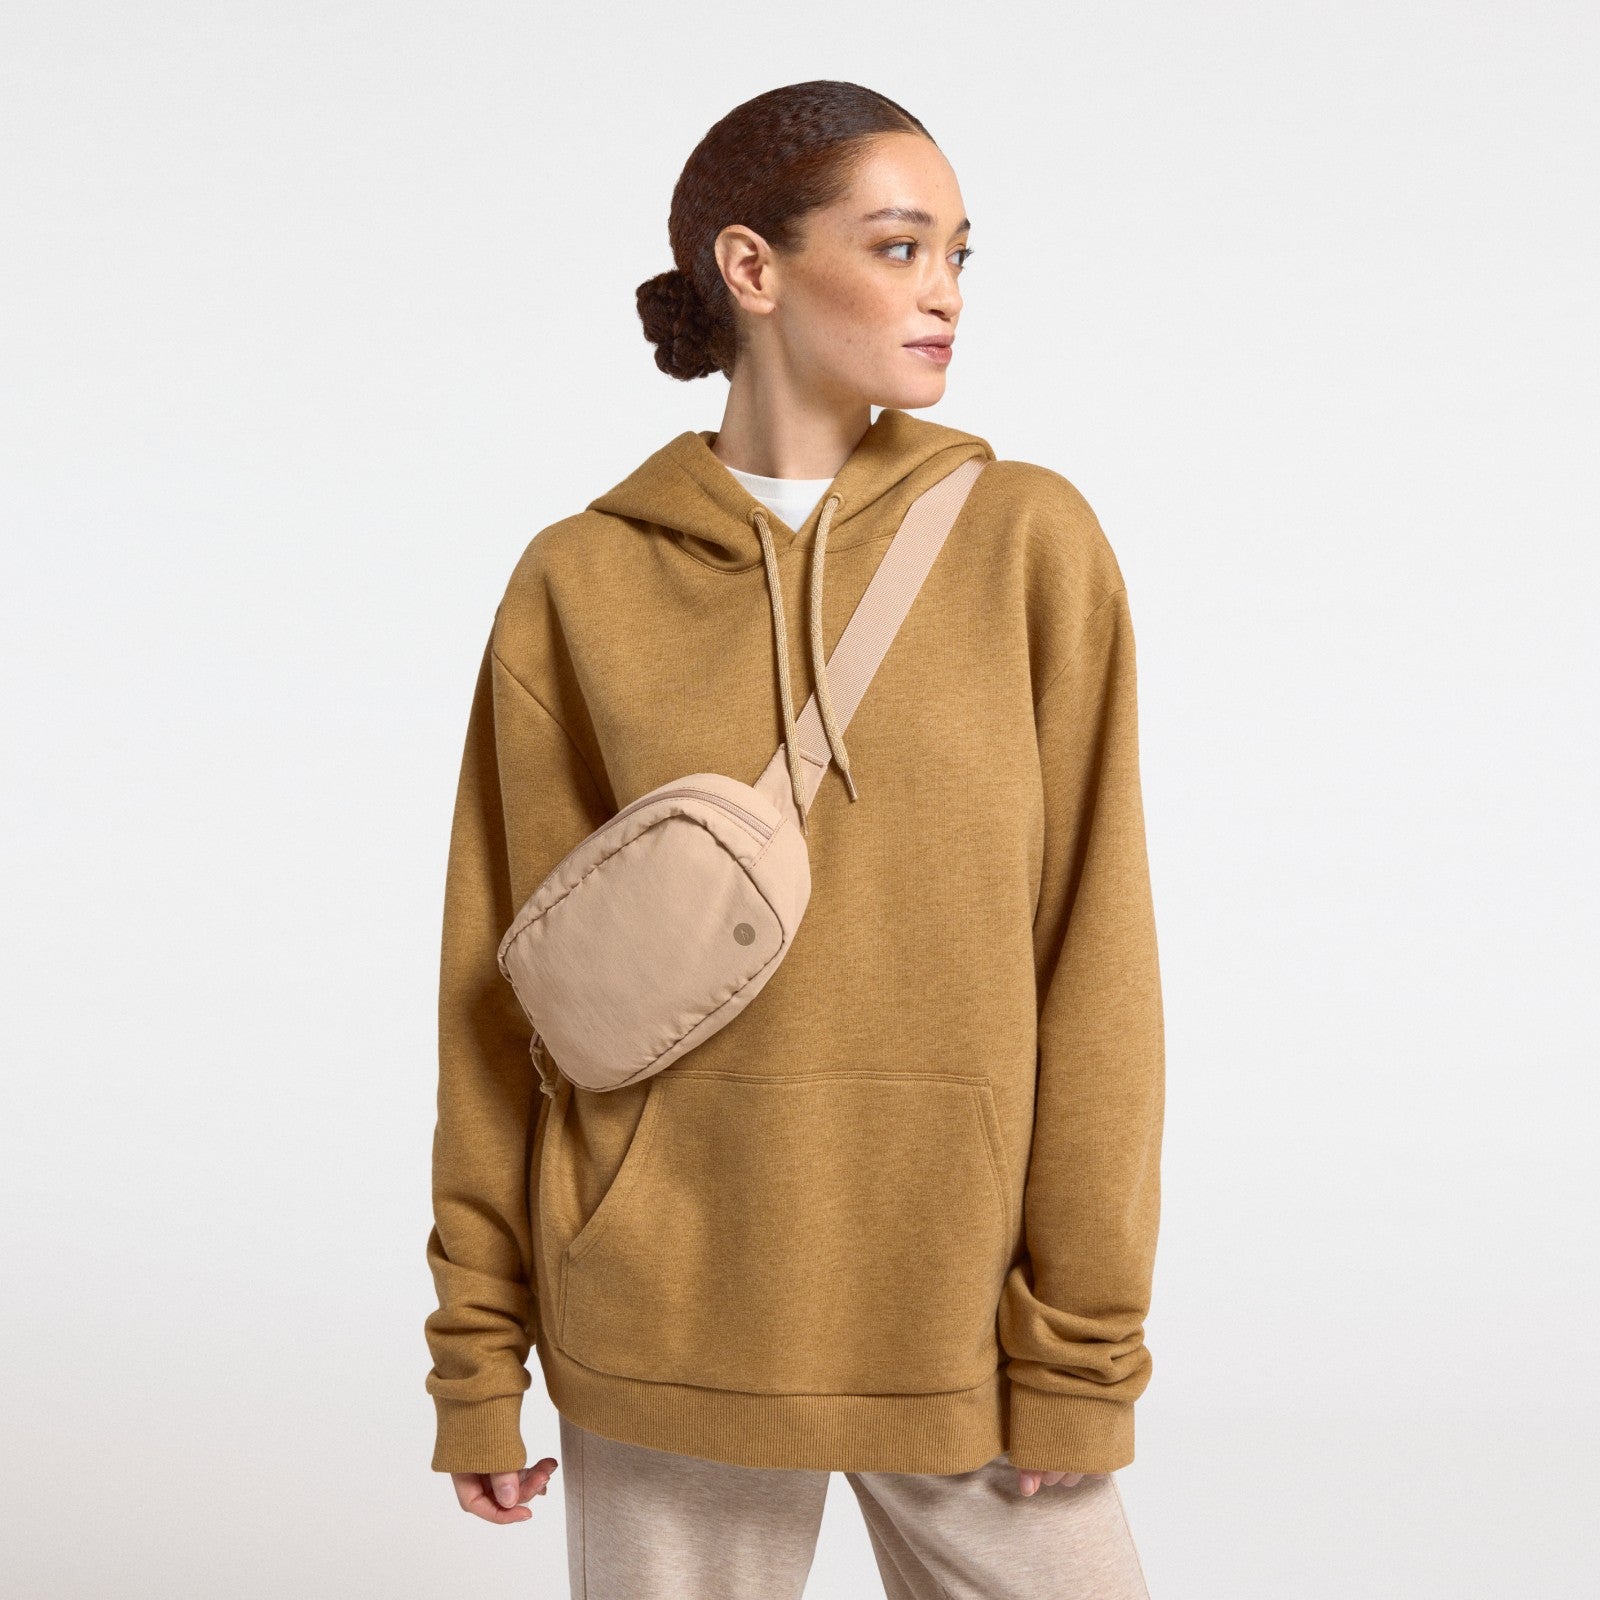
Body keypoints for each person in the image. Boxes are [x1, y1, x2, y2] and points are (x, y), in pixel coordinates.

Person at [422, 79, 1165, 1599]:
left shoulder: (1030, 543)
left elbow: (1098, 960)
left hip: (963, 1313)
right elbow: (500, 994)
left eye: (959, 252)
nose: (945, 291)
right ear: (752, 268)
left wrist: (1083, 1346)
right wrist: (476, 1354)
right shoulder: (579, 583)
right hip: (662, 1310)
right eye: (899, 247)